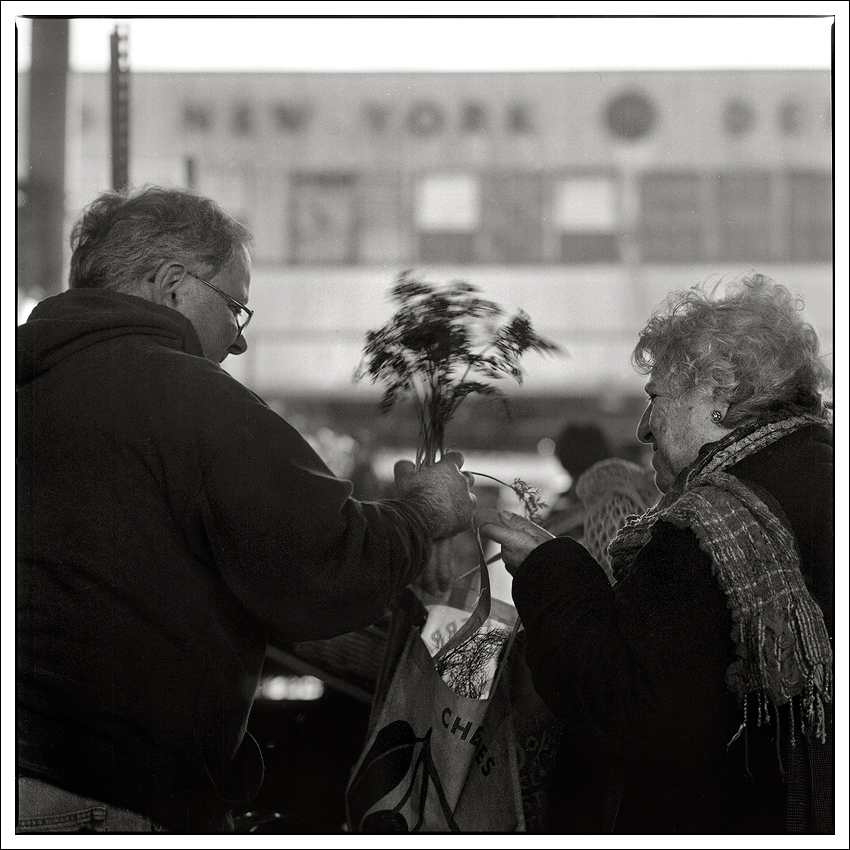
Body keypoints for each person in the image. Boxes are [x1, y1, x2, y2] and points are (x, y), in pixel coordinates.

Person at [16, 186, 476, 834]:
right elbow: (323, 565)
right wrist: (422, 513)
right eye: (235, 310)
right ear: (173, 285)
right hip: (109, 798)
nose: (238, 345)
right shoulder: (188, 398)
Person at [478, 274, 833, 834]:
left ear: (719, 393)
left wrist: (549, 570)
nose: (643, 429)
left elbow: (635, 712)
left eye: (655, 399)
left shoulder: (707, 529)